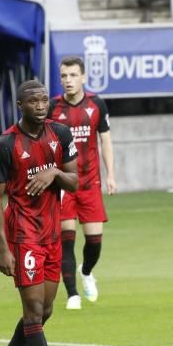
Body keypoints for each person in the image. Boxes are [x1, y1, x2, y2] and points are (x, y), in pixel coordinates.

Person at [0, 80, 78, 346]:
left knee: (44, 310)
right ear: (20, 106)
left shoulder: (61, 135)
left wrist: (53, 172)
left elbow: (75, 181)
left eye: (44, 100)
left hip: (52, 234)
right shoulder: (5, 144)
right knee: (34, 311)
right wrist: (2, 248)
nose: (41, 106)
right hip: (23, 235)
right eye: (33, 101)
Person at [50, 57, 116, 311]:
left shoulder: (96, 104)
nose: (68, 80)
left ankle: (86, 271)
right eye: (64, 76)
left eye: (73, 75)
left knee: (95, 241)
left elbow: (106, 140)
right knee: (66, 239)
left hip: (90, 183)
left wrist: (111, 175)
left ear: (84, 77)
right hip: (65, 184)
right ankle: (72, 294)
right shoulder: (53, 108)